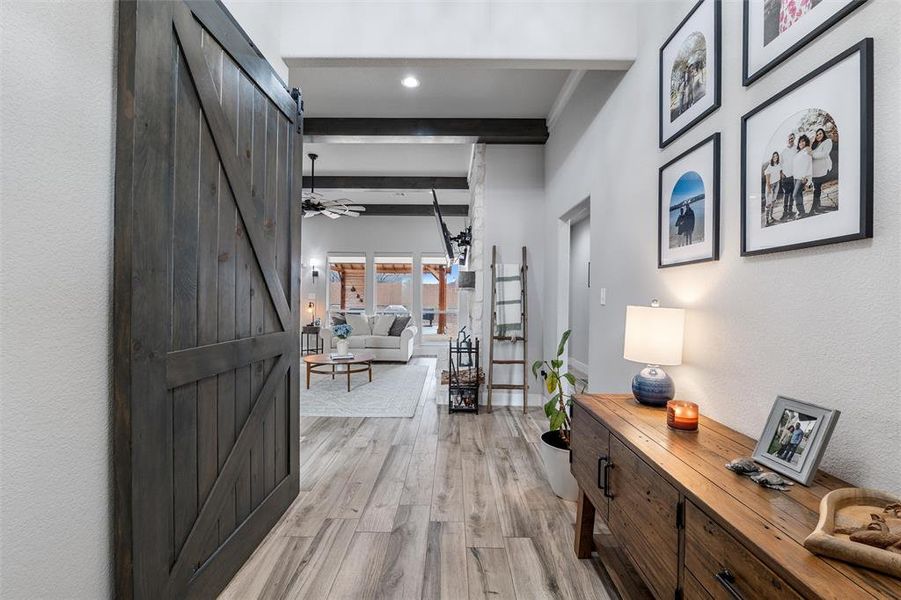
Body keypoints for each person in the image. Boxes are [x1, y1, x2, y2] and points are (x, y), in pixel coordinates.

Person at [810, 127, 833, 214]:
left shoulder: (827, 141)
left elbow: (824, 154)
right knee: (816, 188)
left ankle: (814, 208)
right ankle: (817, 205)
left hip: (821, 169)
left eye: (820, 133)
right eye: (817, 134)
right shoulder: (815, 145)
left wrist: (812, 154)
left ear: (823, 134)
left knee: (816, 189)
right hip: (814, 171)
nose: (818, 135)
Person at [792, 134, 813, 218]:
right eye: (800, 142)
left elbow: (808, 164)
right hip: (796, 177)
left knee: (795, 195)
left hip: (802, 177)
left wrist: (805, 177)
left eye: (803, 141)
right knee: (799, 194)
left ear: (806, 142)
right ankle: (802, 212)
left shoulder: (806, 150)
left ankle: (801, 212)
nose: (801, 143)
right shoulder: (798, 153)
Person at [779, 133, 797, 220]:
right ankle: (785, 212)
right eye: (789, 139)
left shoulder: (796, 149)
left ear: (794, 139)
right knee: (786, 195)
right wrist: (781, 173)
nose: (791, 140)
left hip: (794, 175)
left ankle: (790, 211)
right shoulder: (783, 151)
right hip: (785, 176)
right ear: (787, 140)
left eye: (792, 138)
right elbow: (780, 164)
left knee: (793, 195)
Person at [764, 152, 783, 225]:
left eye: (776, 156)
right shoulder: (769, 166)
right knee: (768, 203)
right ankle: (766, 221)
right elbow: (767, 177)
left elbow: (780, 171)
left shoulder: (778, 164)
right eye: (774, 156)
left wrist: (782, 175)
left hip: (777, 184)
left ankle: (771, 217)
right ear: (772, 157)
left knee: (773, 201)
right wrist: (768, 188)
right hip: (770, 185)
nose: (775, 157)